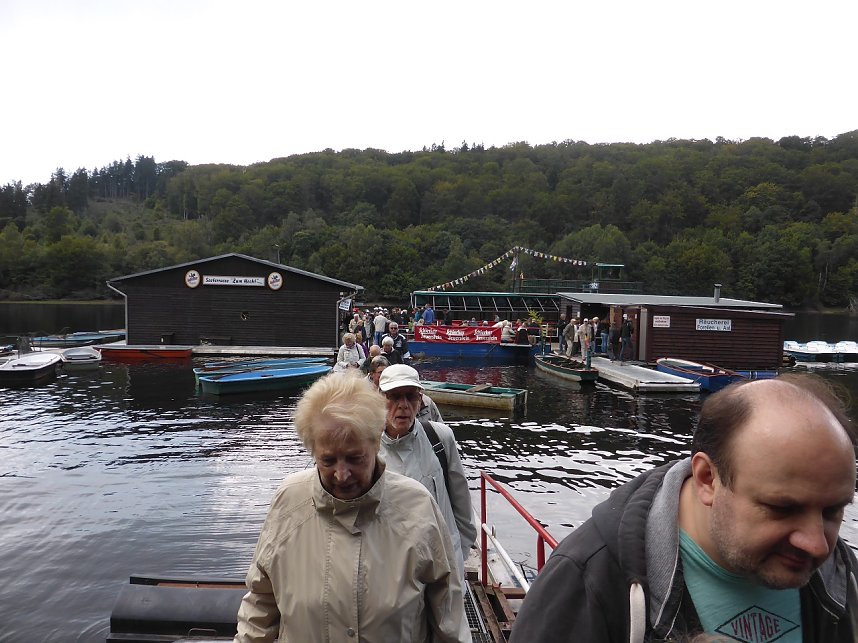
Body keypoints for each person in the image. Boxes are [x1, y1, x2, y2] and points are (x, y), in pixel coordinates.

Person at [510, 374, 858, 642]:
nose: (817, 544)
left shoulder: (844, 576)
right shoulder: (588, 583)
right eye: (782, 509)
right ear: (708, 478)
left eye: (832, 512)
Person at [234, 372, 471, 643]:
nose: (342, 474)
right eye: (328, 460)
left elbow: (448, 618)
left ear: (374, 442)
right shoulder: (289, 502)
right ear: (313, 452)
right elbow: (260, 603)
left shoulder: (416, 506)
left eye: (355, 458)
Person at [377, 364, 477, 574]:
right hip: (391, 568)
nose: (403, 405)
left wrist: (459, 551)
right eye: (394, 397)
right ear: (380, 399)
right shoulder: (366, 449)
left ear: (420, 400)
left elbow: (461, 501)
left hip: (442, 562)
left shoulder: (440, 438)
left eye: (410, 396)